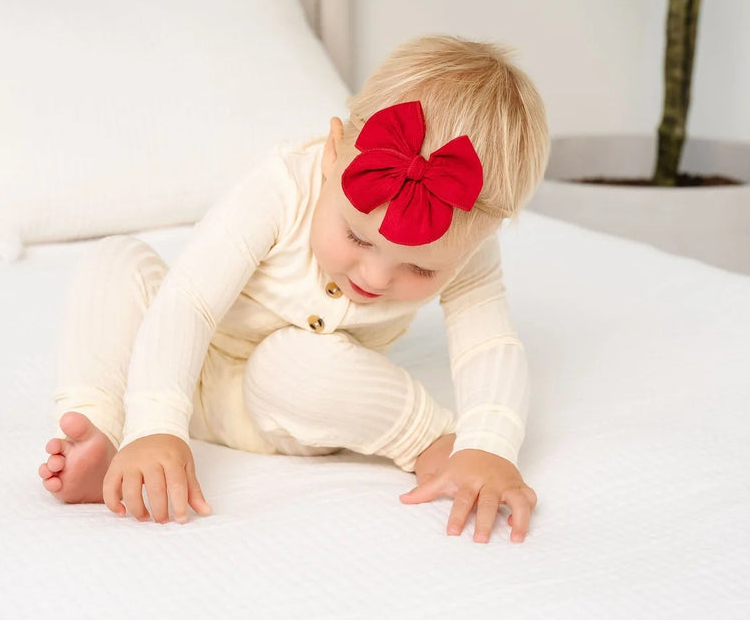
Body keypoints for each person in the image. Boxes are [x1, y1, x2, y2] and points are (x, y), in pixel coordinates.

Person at [38, 35, 550, 543]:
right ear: (332, 155)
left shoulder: (466, 244)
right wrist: (154, 424)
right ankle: (108, 429)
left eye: (419, 270)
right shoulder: (282, 186)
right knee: (116, 261)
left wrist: (489, 445)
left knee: (297, 362)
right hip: (177, 361)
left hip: (280, 406)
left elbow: (489, 344)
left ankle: (430, 441)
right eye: (355, 235)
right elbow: (189, 301)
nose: (374, 278)